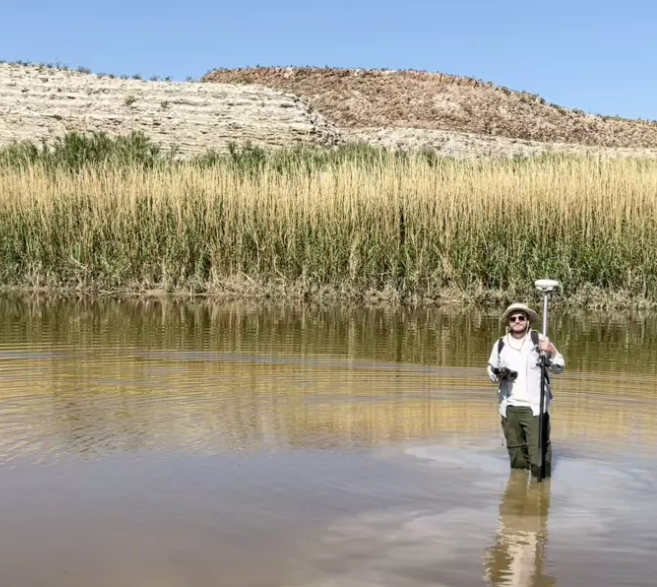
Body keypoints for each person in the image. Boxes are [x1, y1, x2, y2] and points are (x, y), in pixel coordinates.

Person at [487, 303, 565, 478]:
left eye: (521, 317)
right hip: (509, 407)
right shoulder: (500, 344)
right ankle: (517, 494)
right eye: (513, 318)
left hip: (534, 409)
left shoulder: (539, 340)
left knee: (538, 459)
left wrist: (551, 351)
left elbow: (559, 367)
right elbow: (491, 369)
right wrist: (497, 375)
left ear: (528, 320)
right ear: (508, 322)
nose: (517, 321)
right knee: (516, 459)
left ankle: (541, 491)